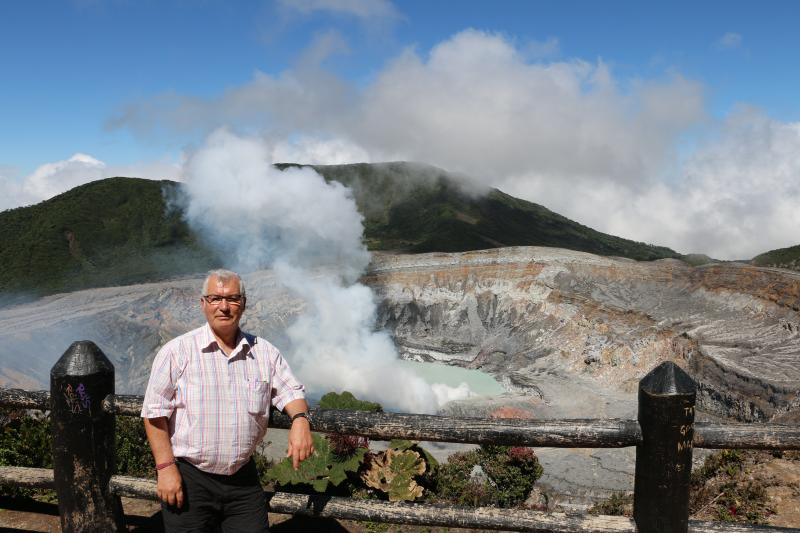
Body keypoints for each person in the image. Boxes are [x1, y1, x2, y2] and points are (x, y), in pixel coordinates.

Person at [141, 269, 314, 532]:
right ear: (203, 303)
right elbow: (154, 413)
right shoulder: (177, 352)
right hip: (189, 478)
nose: (224, 306)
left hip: (243, 481)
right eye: (215, 298)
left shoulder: (264, 353)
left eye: (232, 299)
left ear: (243, 304)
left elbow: (291, 391)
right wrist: (165, 468)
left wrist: (300, 420)